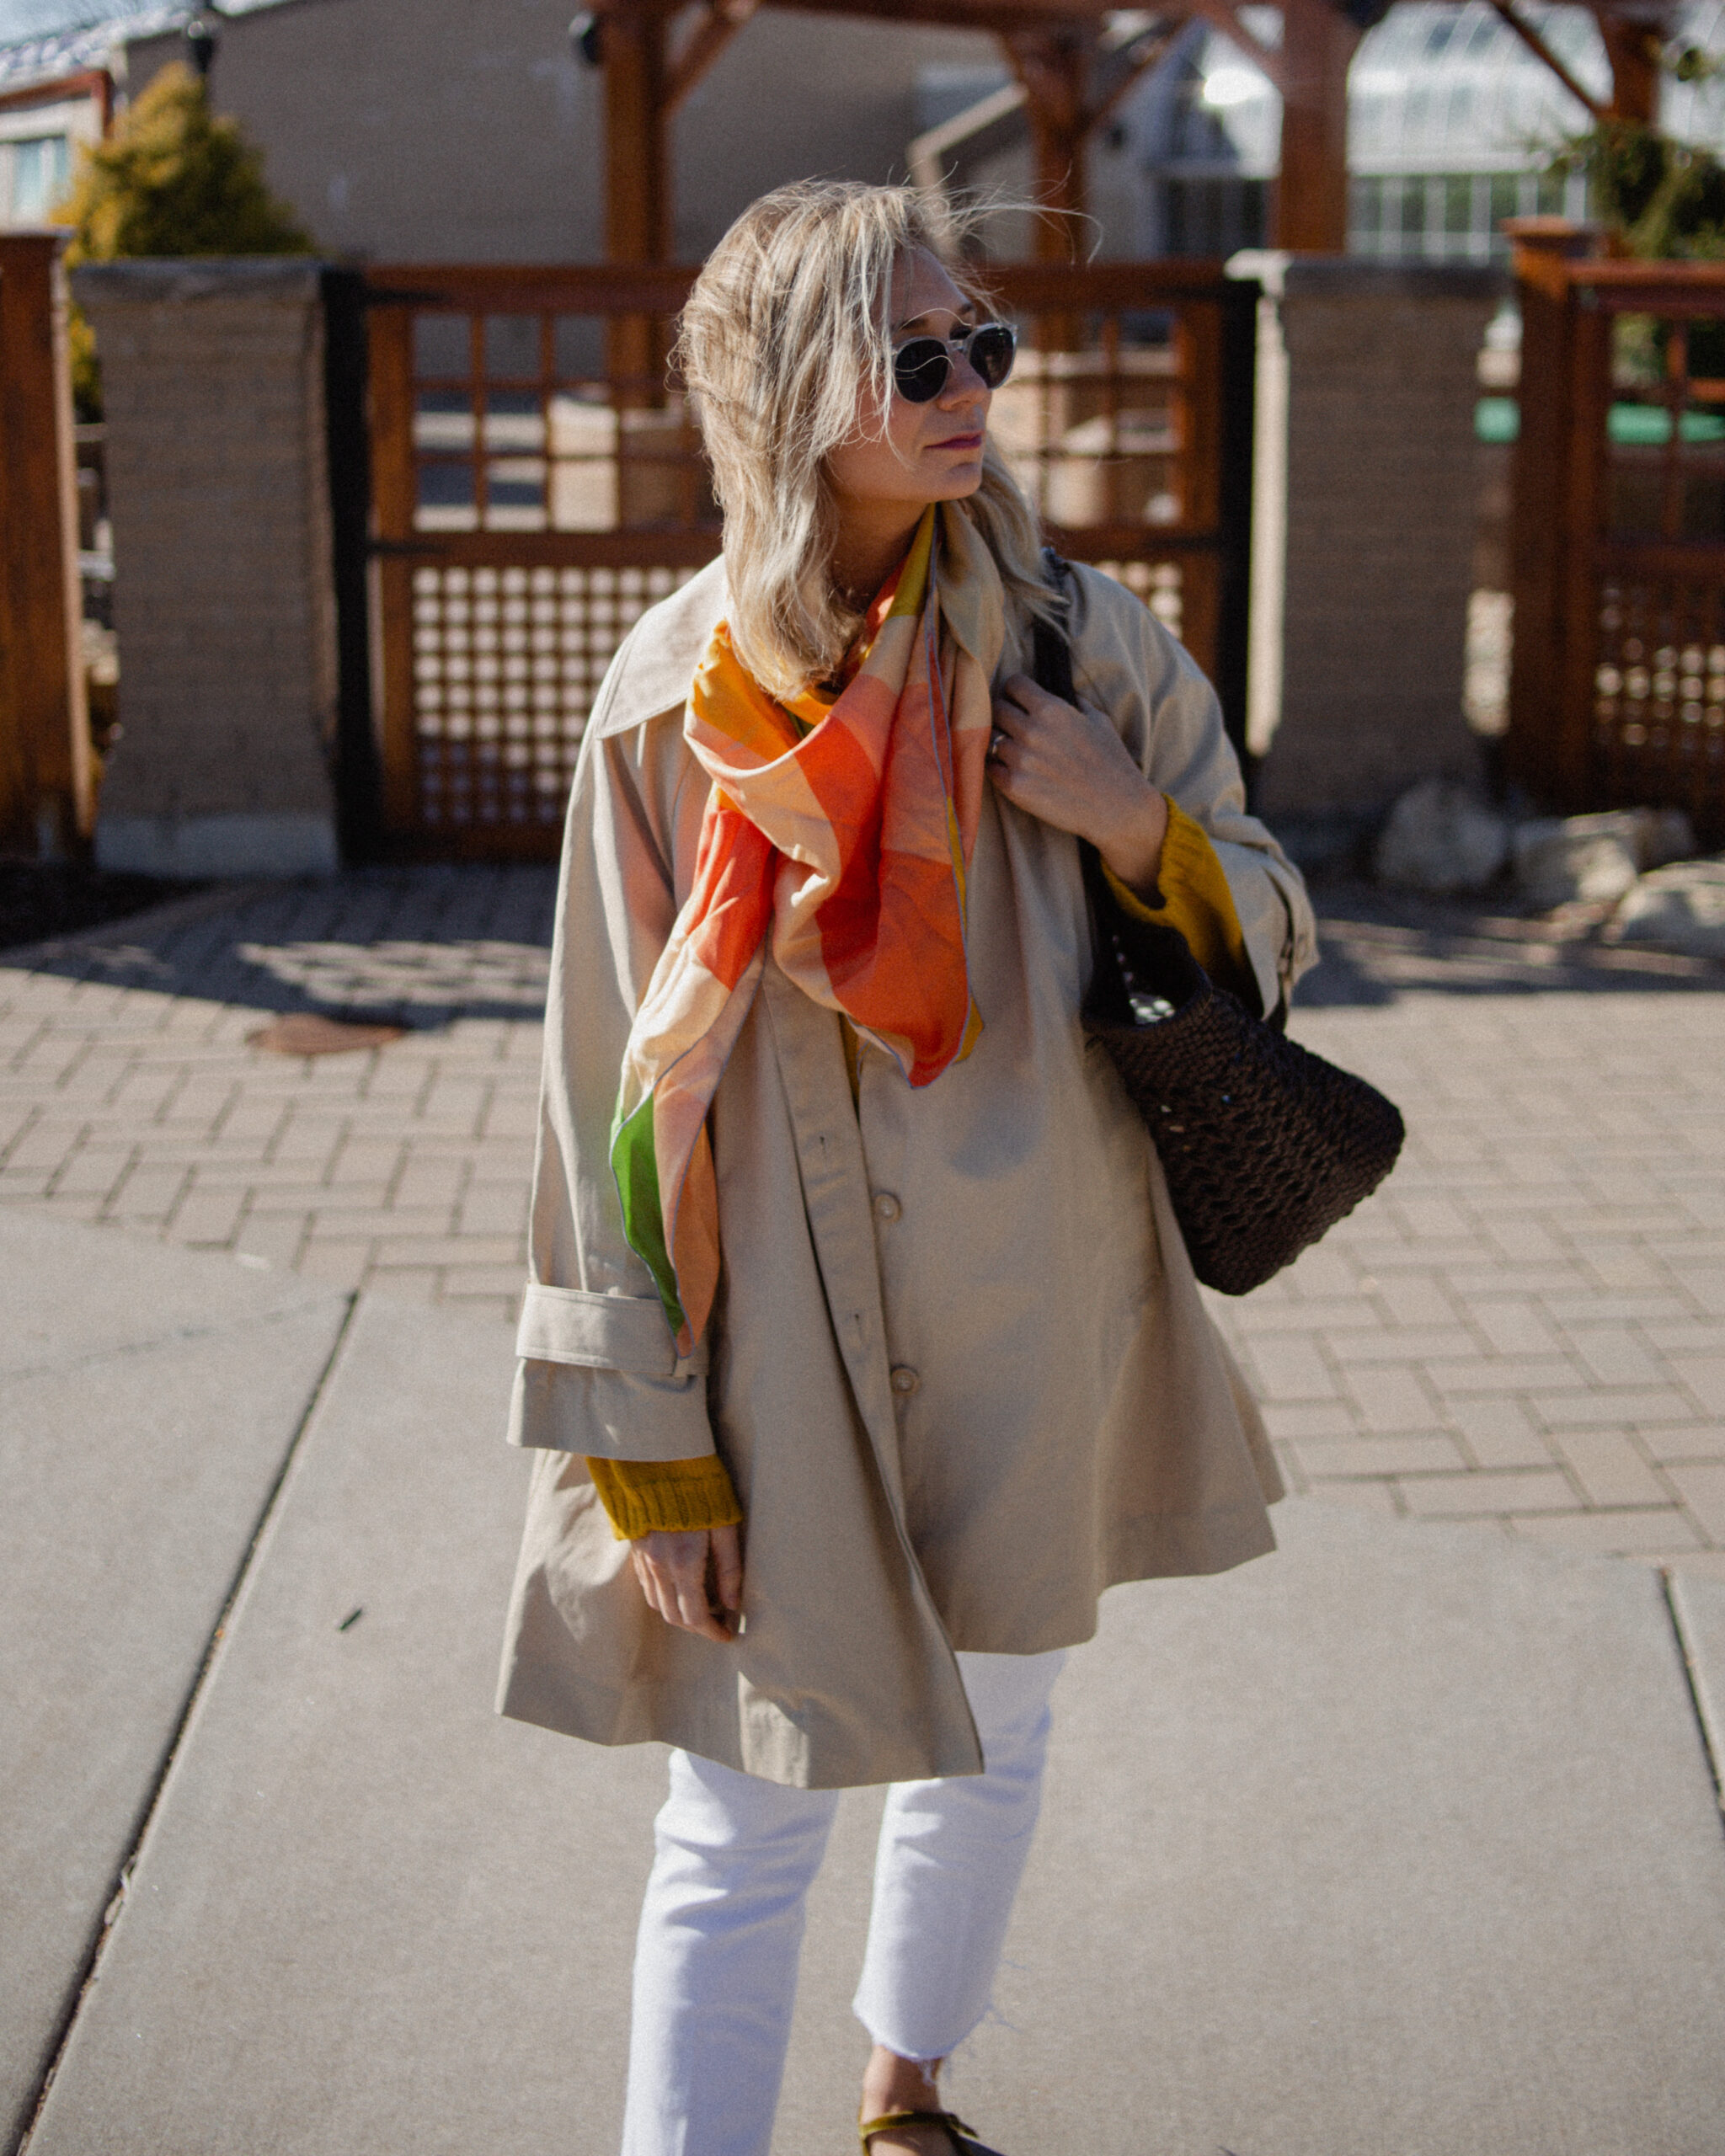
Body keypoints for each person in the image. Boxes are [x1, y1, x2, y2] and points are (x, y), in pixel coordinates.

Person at [496, 180, 1316, 2156]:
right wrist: (648, 1450)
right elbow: (598, 1095)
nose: (969, 389)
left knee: (998, 1739)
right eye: (914, 355)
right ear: (792, 395)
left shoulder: (1076, 642)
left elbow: (1279, 917)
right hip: (770, 1347)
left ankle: (907, 2094)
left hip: (1040, 1301)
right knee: (741, 1814)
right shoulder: (667, 714)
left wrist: (1136, 826)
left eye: (983, 347)